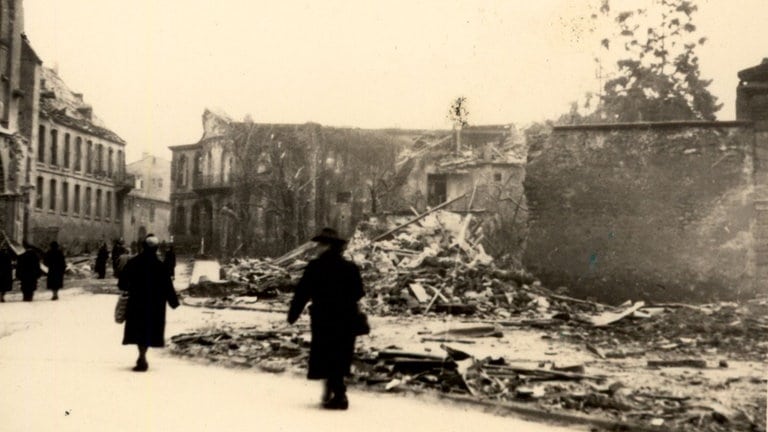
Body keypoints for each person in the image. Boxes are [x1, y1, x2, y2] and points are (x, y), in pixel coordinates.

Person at [287, 228, 365, 410]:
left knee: (326, 353)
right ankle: (333, 390)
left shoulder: (315, 266)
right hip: (346, 318)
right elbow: (359, 292)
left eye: (321, 244)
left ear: (328, 246)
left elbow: (302, 292)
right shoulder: (350, 267)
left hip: (324, 318)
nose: (317, 247)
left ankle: (338, 394)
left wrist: (293, 314)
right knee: (340, 354)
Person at [119, 234, 179, 372]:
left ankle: (141, 355)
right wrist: (173, 302)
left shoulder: (133, 263)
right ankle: (143, 355)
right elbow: (168, 286)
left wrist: (130, 287)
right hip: (155, 305)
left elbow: (122, 283)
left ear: (143, 247)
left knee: (138, 329)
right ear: (156, 248)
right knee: (148, 330)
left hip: (137, 302)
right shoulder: (160, 266)